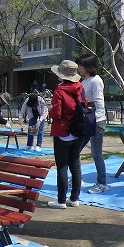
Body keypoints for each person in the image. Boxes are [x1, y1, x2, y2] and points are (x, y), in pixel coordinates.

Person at [48, 60, 84, 209]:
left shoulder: (59, 91)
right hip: (78, 131)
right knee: (75, 165)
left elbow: (56, 113)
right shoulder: (80, 88)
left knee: (62, 167)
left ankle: (61, 200)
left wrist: (49, 111)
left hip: (62, 131)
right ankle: (74, 198)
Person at [76, 54, 109, 194]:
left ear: (88, 66)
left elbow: (99, 102)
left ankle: (102, 183)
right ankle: (77, 178)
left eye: (81, 65)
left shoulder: (96, 81)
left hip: (96, 121)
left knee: (96, 153)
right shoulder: (84, 81)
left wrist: (95, 118)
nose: (78, 68)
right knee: (75, 149)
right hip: (87, 120)